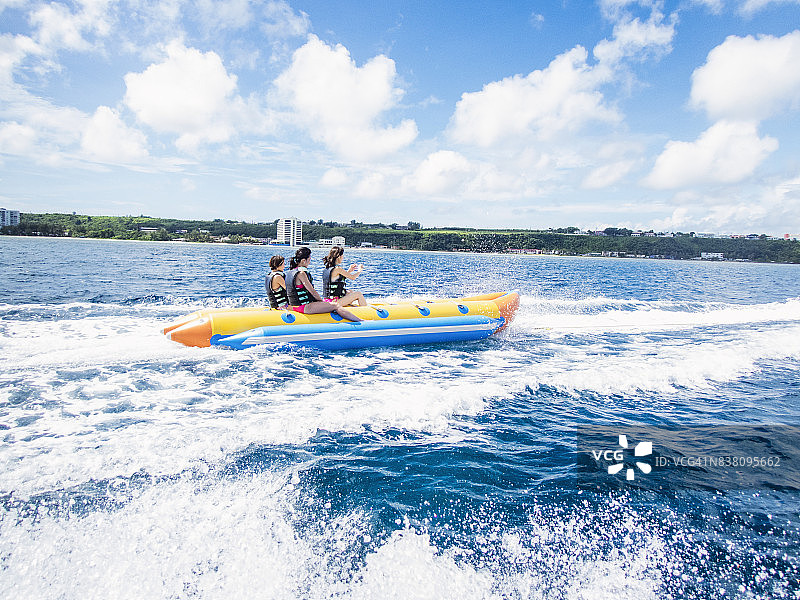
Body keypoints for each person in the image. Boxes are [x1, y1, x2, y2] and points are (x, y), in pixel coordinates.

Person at [284, 247, 362, 322]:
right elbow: (313, 292)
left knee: (347, 294)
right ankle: (361, 321)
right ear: (304, 261)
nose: (310, 262)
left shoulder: (290, 272)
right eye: (309, 260)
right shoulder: (301, 274)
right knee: (335, 305)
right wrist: (322, 302)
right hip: (304, 307)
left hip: (293, 306)